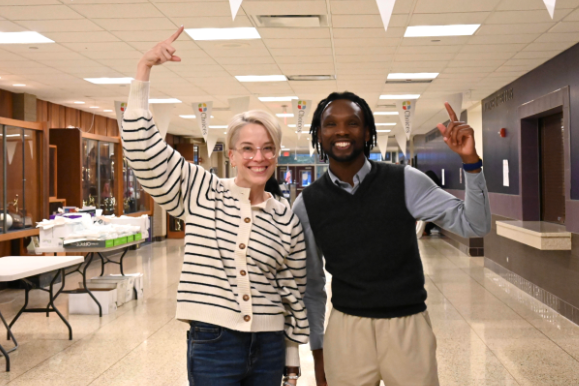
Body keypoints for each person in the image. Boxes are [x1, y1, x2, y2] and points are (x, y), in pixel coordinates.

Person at [121, 27, 308, 386]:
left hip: (269, 345)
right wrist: (144, 69)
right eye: (248, 149)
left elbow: (293, 291)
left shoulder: (285, 215)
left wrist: (291, 359)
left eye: (268, 147)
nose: (259, 157)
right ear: (233, 154)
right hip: (213, 342)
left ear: (277, 154)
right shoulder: (202, 191)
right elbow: (145, 153)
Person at [293, 91, 491, 386]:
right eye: (330, 124)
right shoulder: (307, 203)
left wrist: (471, 163)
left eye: (353, 123)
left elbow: (475, 225)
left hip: (408, 325)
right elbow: (312, 285)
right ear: (319, 135)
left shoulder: (406, 181)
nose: (342, 131)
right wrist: (318, 351)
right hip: (346, 330)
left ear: (368, 132)